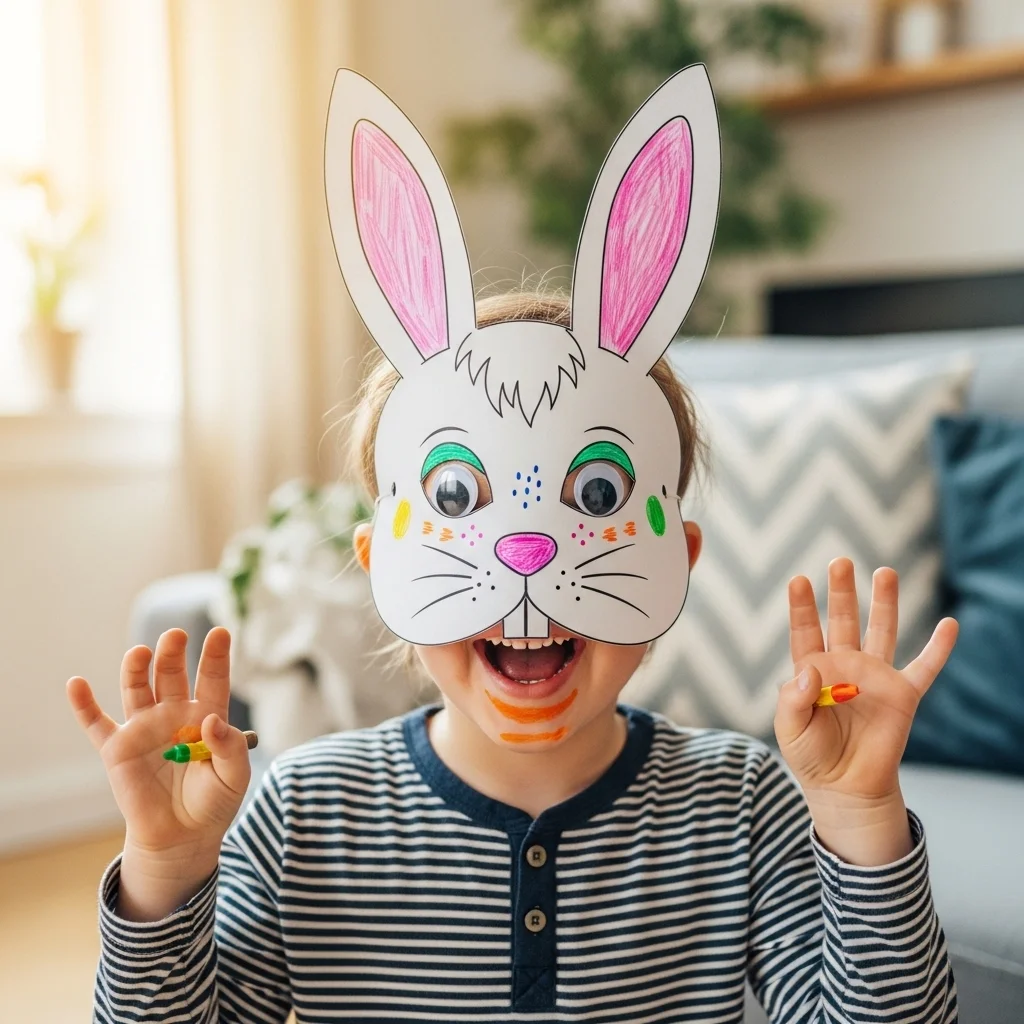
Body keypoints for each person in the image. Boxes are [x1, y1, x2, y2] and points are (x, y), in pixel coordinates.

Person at [70, 64, 960, 1021]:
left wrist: (862, 817)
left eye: (597, 493)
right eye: (460, 495)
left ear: (680, 561)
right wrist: (163, 871)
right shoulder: (305, 813)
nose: (527, 557)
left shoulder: (740, 806)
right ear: (381, 568)